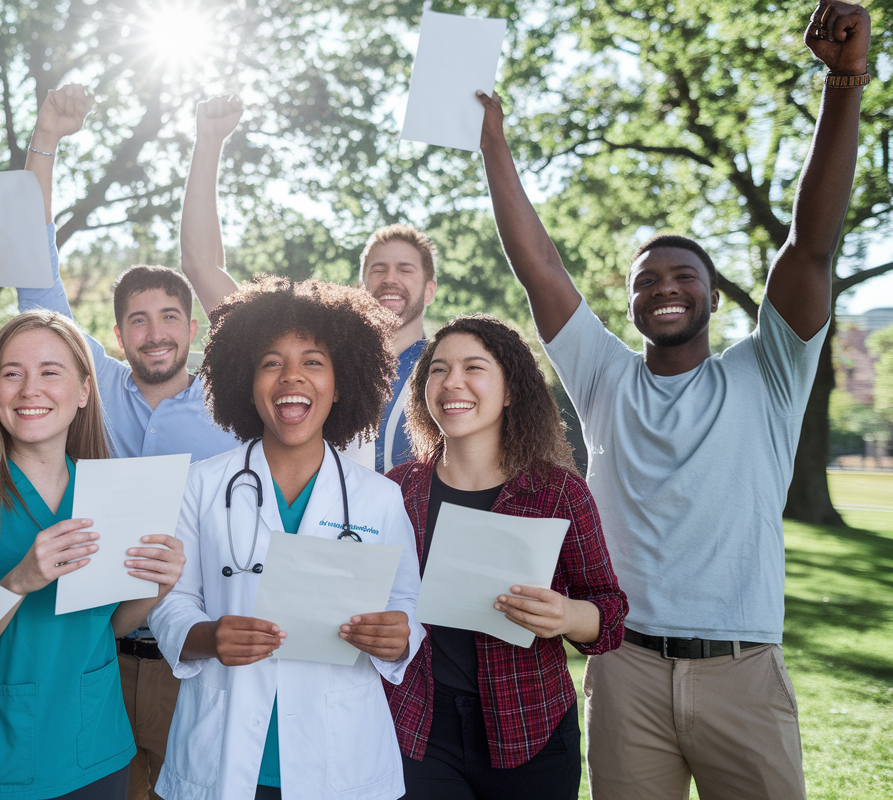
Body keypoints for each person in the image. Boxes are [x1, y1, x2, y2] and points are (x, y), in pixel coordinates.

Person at [475, 4, 871, 798]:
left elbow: (812, 245)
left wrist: (844, 83)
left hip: (743, 674)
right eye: (645, 280)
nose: (664, 288)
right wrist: (495, 145)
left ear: (715, 297)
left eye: (683, 275)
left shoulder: (770, 372)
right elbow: (542, 267)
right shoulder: (605, 377)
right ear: (628, 306)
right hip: (626, 672)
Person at [0, 84, 240, 800]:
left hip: (192, 653)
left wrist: (208, 142)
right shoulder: (91, 381)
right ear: (118, 336)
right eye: (139, 321)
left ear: (193, 328)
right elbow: (35, 273)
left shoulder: (233, 404)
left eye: (170, 317)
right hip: (95, 650)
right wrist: (46, 139)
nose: (156, 332)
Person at [147, 276, 424, 800]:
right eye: (271, 362)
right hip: (226, 754)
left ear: (341, 384)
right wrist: (208, 638)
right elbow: (171, 601)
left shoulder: (379, 498)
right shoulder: (202, 485)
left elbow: (405, 602)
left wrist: (399, 635)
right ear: (246, 383)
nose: (291, 376)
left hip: (338, 758)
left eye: (313, 361)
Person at [0, 310, 186, 800]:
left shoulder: (108, 491)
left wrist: (157, 586)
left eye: (50, 372)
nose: (29, 390)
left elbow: (105, 625)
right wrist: (19, 580)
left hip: (96, 747)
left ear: (84, 391)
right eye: (12, 373)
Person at [384, 315, 628, 799]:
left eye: (474, 367)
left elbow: (610, 617)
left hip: (530, 729)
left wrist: (567, 615)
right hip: (417, 726)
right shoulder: (397, 490)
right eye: (438, 369)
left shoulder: (560, 492)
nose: (452, 381)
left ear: (511, 390)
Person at [177, 97, 438, 473]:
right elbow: (201, 265)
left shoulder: (444, 369)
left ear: (429, 290)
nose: (390, 279)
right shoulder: (315, 355)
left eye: (405, 269)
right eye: (378, 269)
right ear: (361, 285)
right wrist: (209, 142)